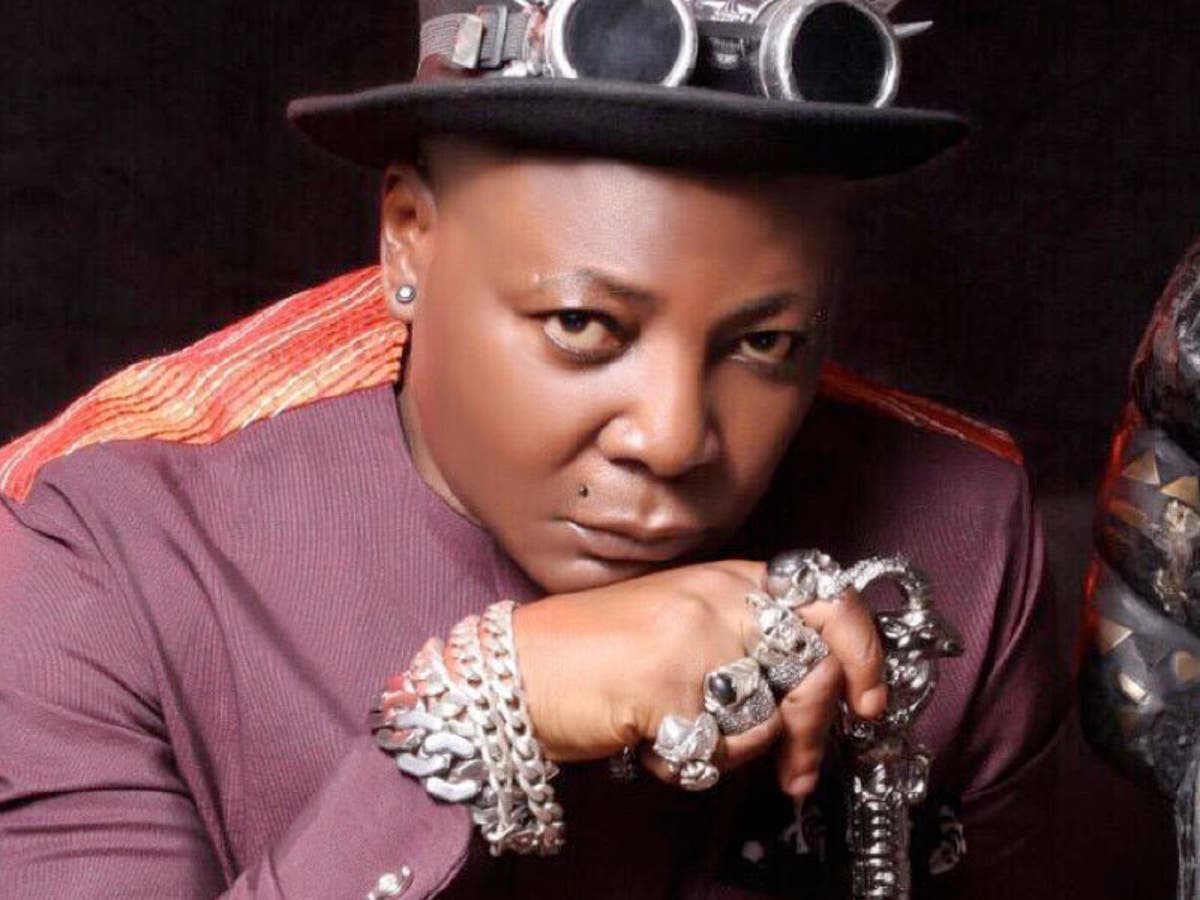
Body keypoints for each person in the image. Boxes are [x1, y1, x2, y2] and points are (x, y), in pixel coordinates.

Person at [0, 0, 1068, 897]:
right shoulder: (104, 547)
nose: (671, 440)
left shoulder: (963, 538)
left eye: (765, 343)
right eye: (581, 325)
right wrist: (477, 722)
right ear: (407, 237)